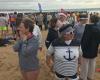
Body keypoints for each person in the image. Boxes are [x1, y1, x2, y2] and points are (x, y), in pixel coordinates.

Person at [80, 15, 100, 80]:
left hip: (86, 48)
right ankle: (90, 76)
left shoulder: (88, 27)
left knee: (85, 64)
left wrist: (82, 48)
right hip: (94, 48)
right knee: (92, 63)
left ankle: (83, 77)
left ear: (90, 19)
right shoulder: (98, 27)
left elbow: (85, 39)